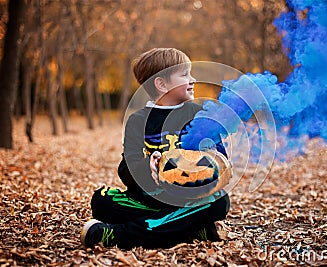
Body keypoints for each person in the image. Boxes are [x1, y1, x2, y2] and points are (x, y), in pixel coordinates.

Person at [80, 48, 230, 249]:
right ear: (161, 84)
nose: (192, 79)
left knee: (218, 202)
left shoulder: (200, 114)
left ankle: (117, 236)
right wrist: (146, 167)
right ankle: (190, 228)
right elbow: (126, 170)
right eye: (184, 74)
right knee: (102, 200)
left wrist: (211, 158)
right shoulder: (138, 121)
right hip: (148, 201)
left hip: (188, 202)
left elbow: (221, 163)